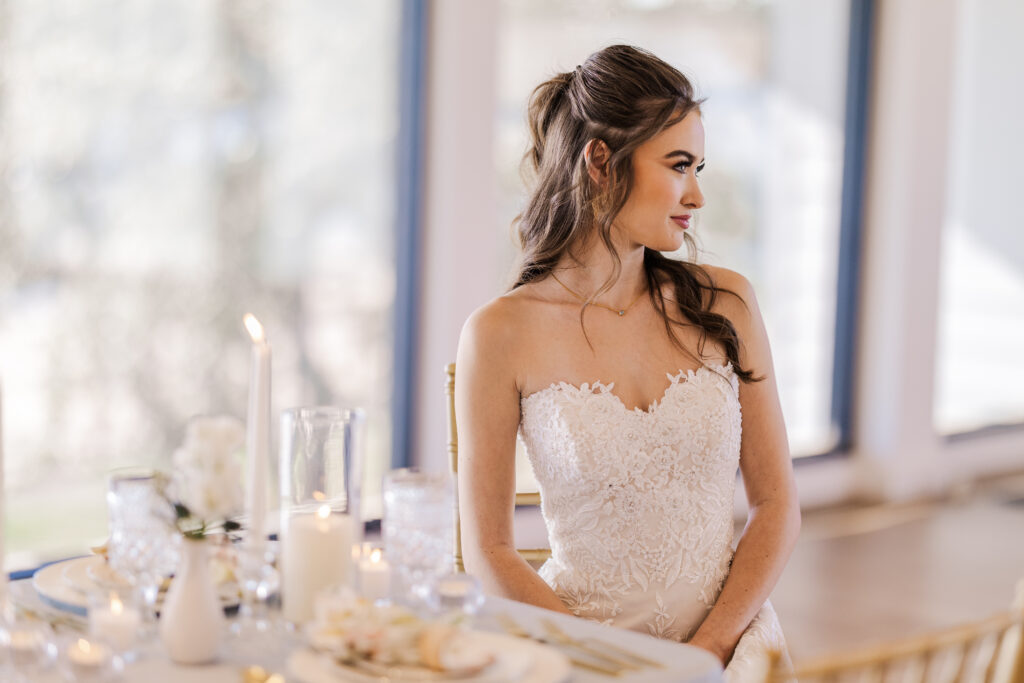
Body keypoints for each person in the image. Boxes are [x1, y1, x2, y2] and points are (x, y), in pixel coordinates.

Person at [455, 44, 800, 681]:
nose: (696, 194)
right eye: (677, 165)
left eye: (698, 167)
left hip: (730, 651)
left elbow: (777, 504)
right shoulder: (498, 334)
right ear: (601, 163)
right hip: (580, 657)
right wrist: (609, 665)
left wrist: (709, 653)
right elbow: (490, 551)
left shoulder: (728, 304)